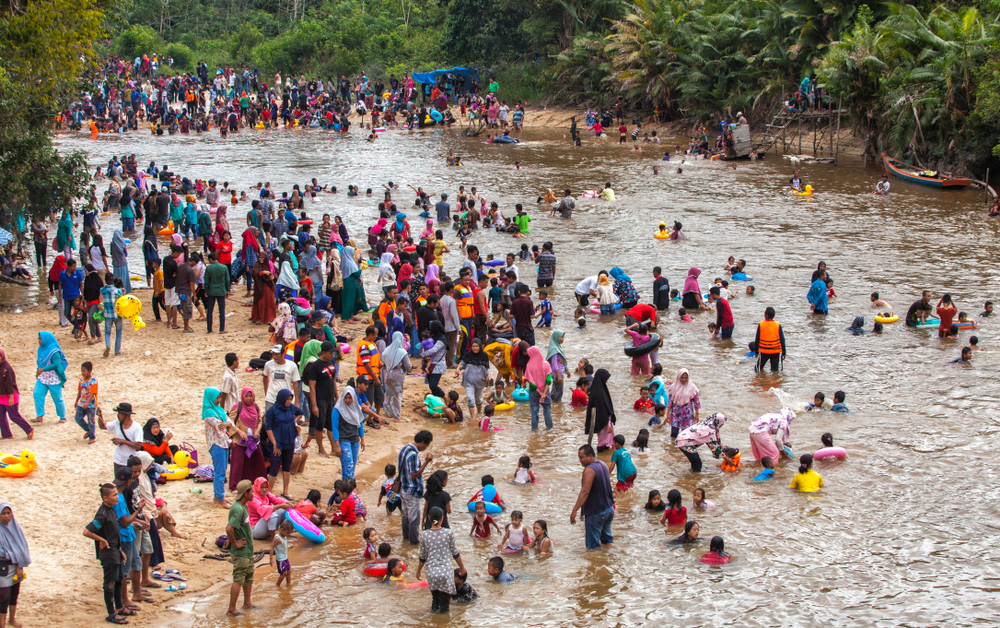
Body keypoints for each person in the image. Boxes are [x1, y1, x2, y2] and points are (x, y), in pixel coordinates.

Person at [84, 485, 127, 624]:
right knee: (110, 583)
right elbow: (87, 532)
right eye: (114, 495)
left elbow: (114, 534)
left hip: (116, 553)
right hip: (108, 556)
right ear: (105, 498)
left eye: (117, 494)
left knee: (119, 579)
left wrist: (120, 551)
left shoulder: (111, 510)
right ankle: (111, 613)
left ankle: (119, 607)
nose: (117, 497)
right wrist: (101, 540)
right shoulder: (102, 514)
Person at [416, 506, 467, 613]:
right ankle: (443, 622)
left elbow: (422, 557)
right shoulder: (449, 533)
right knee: (445, 606)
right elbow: (455, 554)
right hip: (445, 573)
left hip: (432, 573)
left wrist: (418, 571)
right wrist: (462, 568)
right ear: (442, 519)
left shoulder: (424, 535)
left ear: (429, 518)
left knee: (435, 601)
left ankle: (433, 620)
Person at [570, 443, 614, 549]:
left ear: (590, 456)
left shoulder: (589, 470)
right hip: (608, 509)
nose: (580, 460)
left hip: (596, 512)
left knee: (592, 547)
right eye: (579, 458)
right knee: (607, 541)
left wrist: (575, 509)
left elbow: (585, 491)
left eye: (582, 457)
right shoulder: (602, 464)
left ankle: (596, 564)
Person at [264, 389, 303, 500]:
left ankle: (285, 491)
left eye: (291, 399)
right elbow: (268, 428)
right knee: (275, 467)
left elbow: (300, 413)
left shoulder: (290, 408)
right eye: (287, 399)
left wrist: (293, 422)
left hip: (289, 441)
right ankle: (269, 493)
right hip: (277, 443)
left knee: (287, 466)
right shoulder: (272, 411)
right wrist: (275, 443)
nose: (289, 401)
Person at [399, 430, 434, 546]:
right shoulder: (413, 455)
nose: (425, 448)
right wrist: (426, 462)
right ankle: (414, 542)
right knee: (414, 518)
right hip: (411, 489)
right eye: (426, 445)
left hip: (403, 487)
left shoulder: (404, 450)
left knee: (405, 515)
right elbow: (414, 474)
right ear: (422, 442)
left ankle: (406, 539)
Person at [226, 480, 255, 616]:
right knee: (239, 578)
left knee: (248, 576)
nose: (253, 494)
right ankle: (232, 609)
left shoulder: (244, 506)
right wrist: (235, 543)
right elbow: (229, 528)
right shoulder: (237, 509)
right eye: (252, 491)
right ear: (245, 493)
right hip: (241, 551)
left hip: (248, 550)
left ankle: (247, 603)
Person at [228, 388, 267, 490]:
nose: (249, 398)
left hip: (253, 440)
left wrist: (258, 431)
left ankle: (255, 485)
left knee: (256, 462)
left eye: (251, 396)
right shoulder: (238, 407)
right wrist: (239, 432)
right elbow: (229, 422)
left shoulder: (255, 407)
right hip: (240, 441)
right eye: (247, 396)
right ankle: (234, 486)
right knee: (238, 463)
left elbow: (259, 421)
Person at [201, 387, 233, 508]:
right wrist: (227, 424)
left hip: (224, 443)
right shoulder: (209, 411)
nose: (219, 400)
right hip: (217, 445)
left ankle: (219, 496)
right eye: (217, 397)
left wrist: (227, 424)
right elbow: (220, 425)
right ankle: (220, 498)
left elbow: (230, 423)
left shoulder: (219, 410)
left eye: (219, 397)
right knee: (220, 472)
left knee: (222, 470)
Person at [0, 503, 30, 628]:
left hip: (17, 567)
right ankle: (1, 623)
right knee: (4, 596)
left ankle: (12, 619)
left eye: (8, 513)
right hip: (3, 568)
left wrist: (19, 565)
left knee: (14, 594)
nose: (7, 516)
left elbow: (23, 548)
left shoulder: (17, 529)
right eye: (3, 513)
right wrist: (14, 556)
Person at [0, 351, 32, 440]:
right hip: (1, 396)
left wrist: (11, 397)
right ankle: (6, 434)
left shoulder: (6, 368)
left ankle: (29, 430)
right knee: (0, 416)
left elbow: (10, 383)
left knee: (13, 416)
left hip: (10, 396)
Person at [585, 369, 616, 451]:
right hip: (603, 421)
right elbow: (603, 409)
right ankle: (601, 455)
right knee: (603, 439)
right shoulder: (599, 393)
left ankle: (604, 458)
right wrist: (608, 423)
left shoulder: (599, 390)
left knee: (605, 438)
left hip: (603, 420)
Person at [666, 369, 700, 437]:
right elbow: (670, 402)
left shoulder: (692, 388)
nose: (684, 379)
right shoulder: (673, 387)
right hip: (675, 415)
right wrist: (668, 414)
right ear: (678, 377)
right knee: (674, 434)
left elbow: (696, 402)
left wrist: (697, 414)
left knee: (686, 435)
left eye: (685, 378)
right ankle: (673, 447)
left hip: (687, 416)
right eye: (682, 377)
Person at [754, 307, 786, 373]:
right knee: (774, 371)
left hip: (764, 351)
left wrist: (756, 351)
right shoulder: (778, 325)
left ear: (766, 316)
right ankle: (774, 381)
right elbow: (782, 340)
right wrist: (784, 352)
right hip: (775, 351)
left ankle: (759, 380)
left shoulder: (761, 324)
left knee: (758, 369)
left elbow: (757, 339)